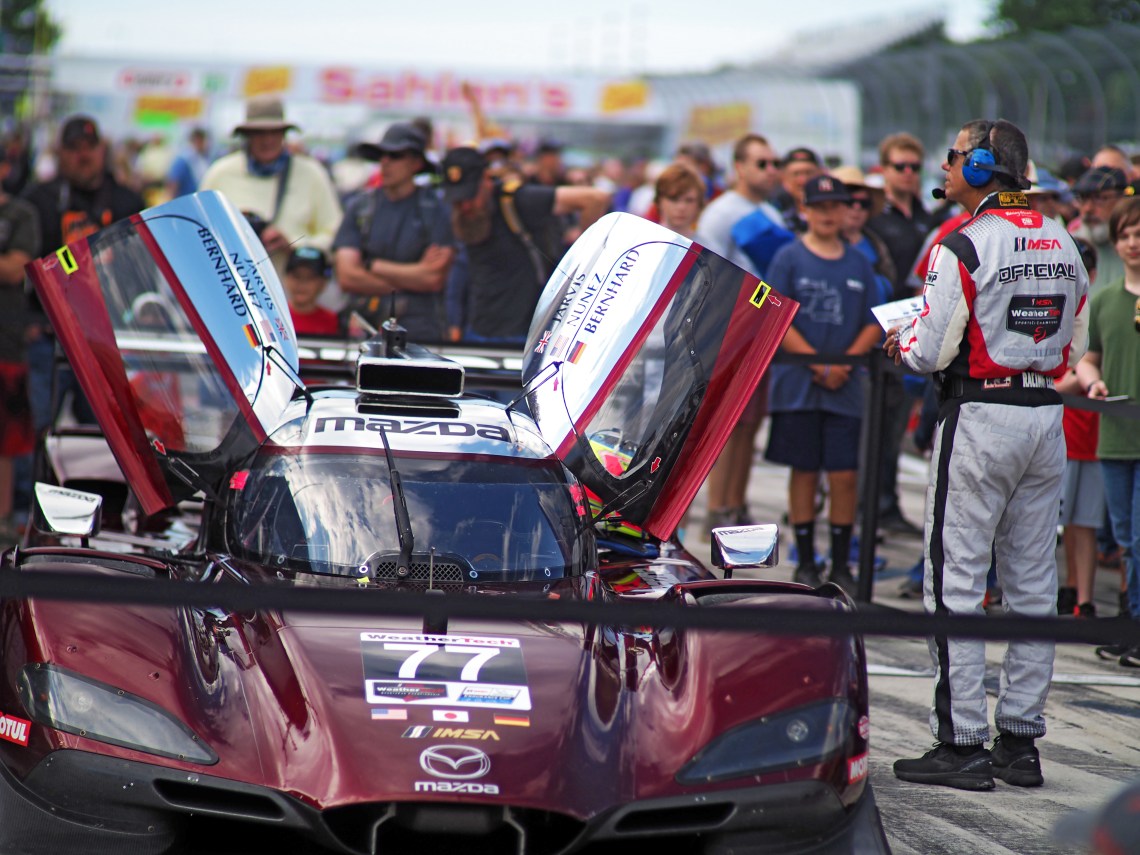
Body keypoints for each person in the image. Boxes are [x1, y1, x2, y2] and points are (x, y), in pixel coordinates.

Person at [886, 118, 1089, 790]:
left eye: (951, 158)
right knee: (1034, 586)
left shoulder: (964, 243)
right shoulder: (1064, 239)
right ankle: (1020, 742)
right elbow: (1077, 339)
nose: (942, 170)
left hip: (979, 413)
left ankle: (962, 740)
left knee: (957, 581)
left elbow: (926, 351)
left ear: (979, 168)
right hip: (1045, 417)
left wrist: (903, 345)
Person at [764, 175, 881, 591]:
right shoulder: (789, 258)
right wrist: (815, 363)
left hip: (844, 386)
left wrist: (844, 364)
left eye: (837, 207)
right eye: (821, 206)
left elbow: (874, 321)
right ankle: (807, 559)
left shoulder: (858, 263)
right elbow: (778, 314)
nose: (829, 214)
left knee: (845, 473)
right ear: (805, 211)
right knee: (805, 470)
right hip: (799, 383)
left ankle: (840, 561)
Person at [22, 115, 145, 435]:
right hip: (48, 335)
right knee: (37, 429)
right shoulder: (38, 200)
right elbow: (25, 267)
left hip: (105, 340)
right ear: (60, 153)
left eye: (90, 147)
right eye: (74, 148)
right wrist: (28, 321)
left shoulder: (126, 201)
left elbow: (141, 272)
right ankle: (29, 486)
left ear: (102, 150)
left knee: (108, 434)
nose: (83, 155)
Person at [695, 133, 787, 530]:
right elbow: (711, 275)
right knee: (727, 424)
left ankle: (736, 502)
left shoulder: (772, 213)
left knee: (750, 424)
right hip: (731, 329)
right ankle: (717, 509)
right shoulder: (721, 213)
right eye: (761, 163)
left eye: (773, 163)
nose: (771, 170)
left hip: (764, 330)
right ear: (739, 167)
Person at [440, 145, 609, 345]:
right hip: (477, 331)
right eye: (458, 199)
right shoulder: (461, 215)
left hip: (523, 336)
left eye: (469, 196)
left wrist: (584, 263)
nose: (465, 205)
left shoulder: (516, 200)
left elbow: (595, 198)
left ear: (486, 179)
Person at [1075, 195, 1140, 665]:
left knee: (1138, 537)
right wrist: (1093, 382)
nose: (1133, 244)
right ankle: (1131, 621)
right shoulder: (1103, 302)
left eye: (1139, 234)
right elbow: (1090, 356)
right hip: (1114, 436)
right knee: (1123, 538)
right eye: (1125, 236)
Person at [867, 131, 941, 537]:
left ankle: (888, 504)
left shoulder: (928, 218)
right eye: (900, 167)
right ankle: (872, 506)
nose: (909, 174)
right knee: (876, 426)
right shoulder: (876, 217)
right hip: (884, 329)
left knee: (898, 425)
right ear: (884, 169)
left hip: (919, 327)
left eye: (915, 167)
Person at [199, 95, 342, 281]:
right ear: (247, 136)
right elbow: (199, 231)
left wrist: (295, 245)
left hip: (291, 295)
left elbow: (334, 233)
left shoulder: (311, 173)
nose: (267, 140)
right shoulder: (220, 173)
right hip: (233, 293)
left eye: (274, 132)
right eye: (259, 133)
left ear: (284, 135)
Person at [332, 123, 453, 340]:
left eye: (396, 155)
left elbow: (434, 278)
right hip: (368, 329)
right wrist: (412, 278)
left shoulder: (435, 210)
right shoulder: (359, 207)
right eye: (382, 155)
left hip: (420, 334)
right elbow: (347, 276)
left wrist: (372, 266)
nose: (385, 162)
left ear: (416, 163)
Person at [1054, 237, 1102, 618]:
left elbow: (1088, 361)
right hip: (1060, 427)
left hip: (1094, 427)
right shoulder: (1052, 306)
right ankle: (1067, 590)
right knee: (1060, 519)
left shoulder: (1097, 308)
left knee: (1084, 519)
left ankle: (1082, 596)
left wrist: (1078, 380)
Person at [0, 157, 39, 533]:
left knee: (6, 439)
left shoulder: (20, 214)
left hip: (6, 341)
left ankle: (3, 518)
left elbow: (15, 268)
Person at [1069, 166, 1132, 290]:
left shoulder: (1133, 246)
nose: (1088, 208)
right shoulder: (1070, 247)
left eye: (1100, 198)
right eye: (1082, 199)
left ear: (1122, 200)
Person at [284, 246, 339, 337]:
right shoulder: (275, 316)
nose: (302, 283)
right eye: (296, 276)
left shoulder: (333, 321)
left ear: (323, 283)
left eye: (310, 277)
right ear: (286, 279)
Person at [653, 162, 706, 237]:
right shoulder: (641, 243)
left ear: (699, 204)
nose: (681, 207)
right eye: (673, 199)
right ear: (659, 201)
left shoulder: (709, 247)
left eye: (689, 200)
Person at [165, 127, 211, 199]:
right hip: (186, 200)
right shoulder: (183, 160)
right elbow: (173, 183)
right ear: (197, 140)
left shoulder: (202, 158)